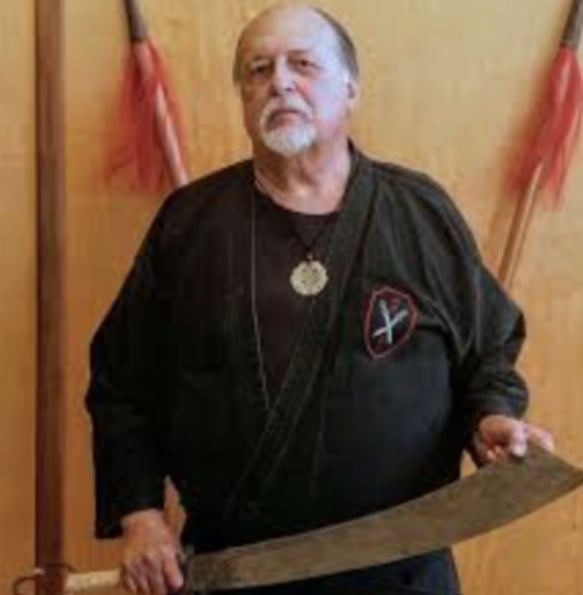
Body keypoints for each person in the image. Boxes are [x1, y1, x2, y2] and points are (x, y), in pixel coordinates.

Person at [86, 4, 554, 595]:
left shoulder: (422, 214)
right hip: (236, 572)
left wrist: (492, 416)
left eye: (302, 64)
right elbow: (122, 384)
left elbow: (487, 351)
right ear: (243, 97)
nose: (279, 82)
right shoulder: (191, 223)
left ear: (351, 88)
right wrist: (140, 515)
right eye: (259, 69)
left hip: (401, 572)